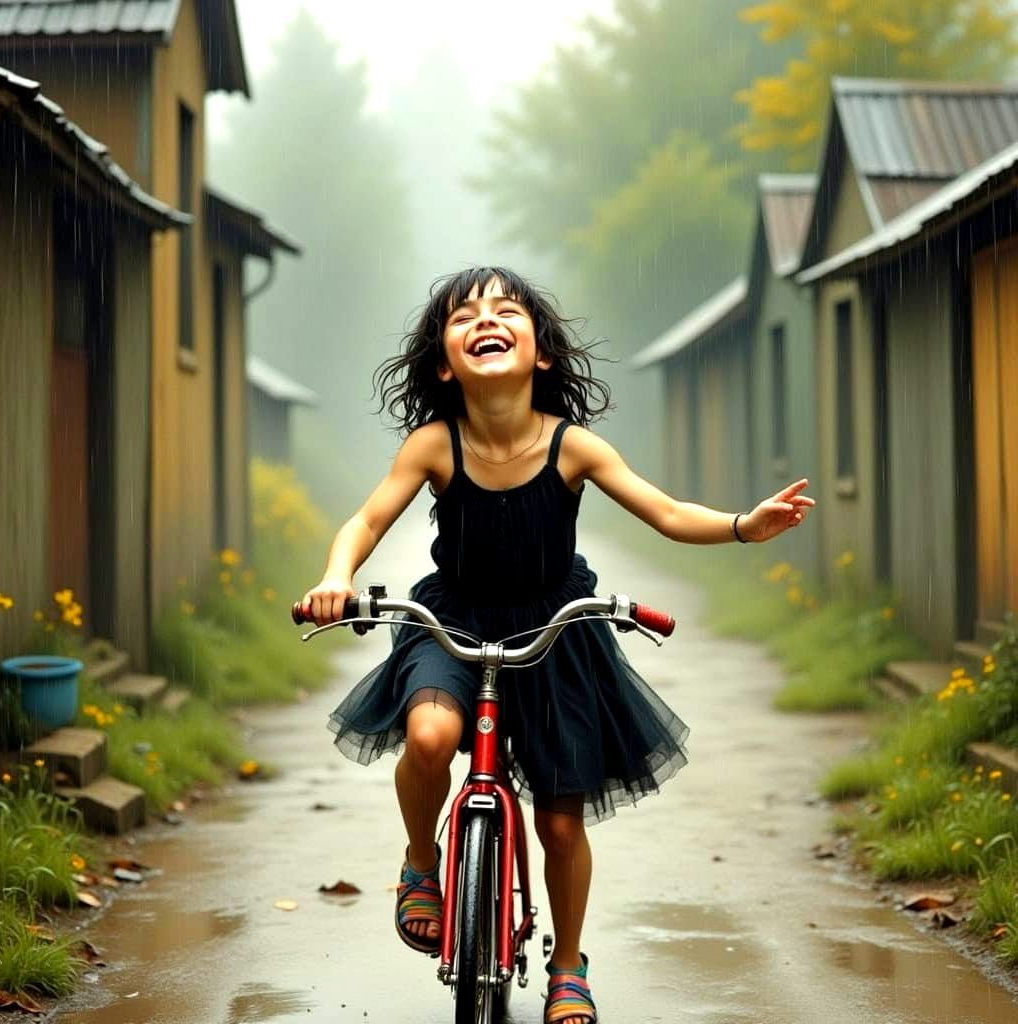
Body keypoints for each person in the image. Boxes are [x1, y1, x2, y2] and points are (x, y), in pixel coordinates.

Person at [300, 266, 814, 1024]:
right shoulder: (434, 444)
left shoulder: (574, 447)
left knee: (561, 821)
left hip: (555, 624)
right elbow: (368, 521)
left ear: (541, 352)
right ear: (445, 362)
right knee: (431, 733)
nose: (487, 318)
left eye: (507, 309)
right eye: (465, 314)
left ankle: (568, 966)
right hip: (457, 617)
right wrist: (336, 576)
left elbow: (667, 513)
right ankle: (421, 861)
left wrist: (744, 524)